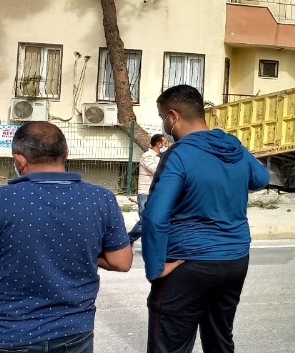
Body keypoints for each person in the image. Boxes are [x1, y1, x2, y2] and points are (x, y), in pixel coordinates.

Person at [142, 85, 269, 352]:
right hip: (234, 261)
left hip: (188, 263)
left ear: (173, 116)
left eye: (162, 117)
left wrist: (155, 268)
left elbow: (155, 216)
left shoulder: (179, 154)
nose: (164, 124)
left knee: (169, 346)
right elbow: (261, 178)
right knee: (220, 341)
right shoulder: (232, 146)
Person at [0, 121, 132, 352]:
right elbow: (121, 261)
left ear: (19, 160)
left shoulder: (4, 200)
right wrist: (85, 252)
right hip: (74, 332)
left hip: (12, 333)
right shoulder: (100, 199)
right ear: (66, 153)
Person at [128, 133, 168, 244]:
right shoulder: (147, 156)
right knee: (145, 220)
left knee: (154, 220)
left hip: (156, 193)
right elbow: (156, 170)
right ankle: (128, 240)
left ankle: (148, 243)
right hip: (145, 193)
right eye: (165, 143)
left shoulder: (161, 157)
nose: (167, 145)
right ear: (159, 144)